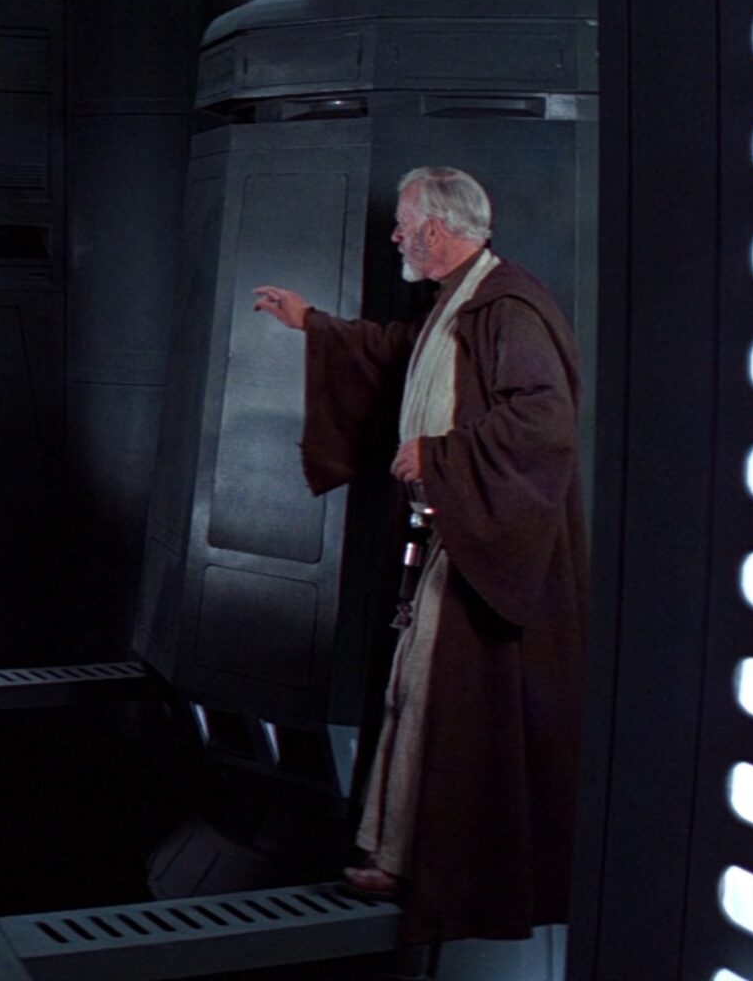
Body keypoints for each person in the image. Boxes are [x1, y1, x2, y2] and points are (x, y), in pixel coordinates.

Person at [250, 166, 587, 944]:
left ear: (436, 229)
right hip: (448, 532)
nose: (396, 236)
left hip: (482, 541)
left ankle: (429, 868)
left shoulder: (508, 308)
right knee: (413, 690)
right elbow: (400, 352)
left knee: (443, 697)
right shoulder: (457, 301)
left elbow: (545, 423)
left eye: (404, 224)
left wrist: (437, 456)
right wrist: (313, 325)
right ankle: (397, 855)